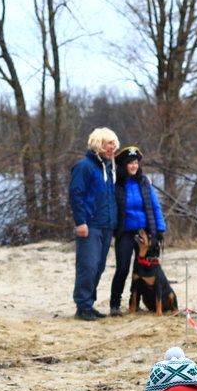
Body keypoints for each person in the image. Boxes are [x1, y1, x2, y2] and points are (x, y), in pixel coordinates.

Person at [108, 145, 167, 317]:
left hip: (145, 232)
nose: (133, 166)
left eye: (135, 162)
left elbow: (155, 206)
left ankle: (135, 303)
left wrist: (160, 228)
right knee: (123, 268)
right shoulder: (116, 184)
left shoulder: (144, 183)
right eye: (130, 163)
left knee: (144, 270)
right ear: (123, 165)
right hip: (125, 232)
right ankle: (114, 304)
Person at [69, 127, 119, 321]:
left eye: (113, 144)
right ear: (98, 144)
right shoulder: (84, 166)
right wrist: (80, 222)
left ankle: (89, 304)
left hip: (107, 225)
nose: (111, 147)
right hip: (90, 225)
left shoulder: (108, 167)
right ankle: (82, 306)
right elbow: (76, 195)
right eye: (108, 143)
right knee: (88, 266)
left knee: (98, 266)